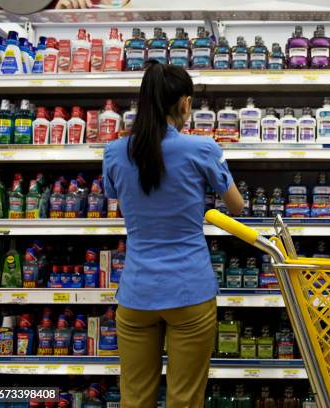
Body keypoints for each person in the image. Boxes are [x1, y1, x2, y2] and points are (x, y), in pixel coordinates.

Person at [102, 62, 243, 407]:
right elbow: (236, 206)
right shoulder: (203, 149)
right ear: (184, 103)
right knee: (185, 398)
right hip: (189, 290)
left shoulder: (115, 151)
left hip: (136, 293)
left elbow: (113, 193)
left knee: (134, 397)